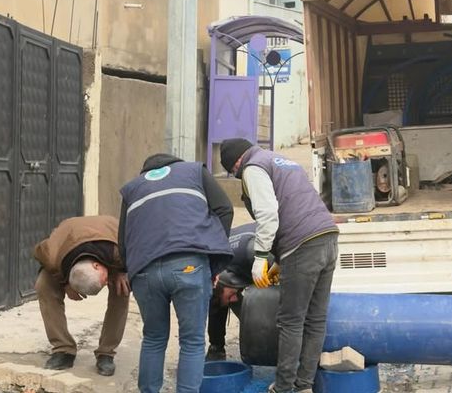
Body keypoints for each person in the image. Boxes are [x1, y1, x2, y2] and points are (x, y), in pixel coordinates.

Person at [220, 138, 339, 393]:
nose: (236, 175)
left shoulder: (253, 167)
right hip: (328, 237)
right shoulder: (281, 161)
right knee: (316, 319)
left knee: (291, 321)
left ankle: (284, 387)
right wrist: (282, 264)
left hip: (302, 244)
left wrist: (261, 257)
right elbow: (296, 203)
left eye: (233, 172)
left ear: (236, 163)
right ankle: (304, 385)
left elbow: (268, 213)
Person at [119, 153, 234, 393]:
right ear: (175, 163)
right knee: (192, 341)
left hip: (144, 271)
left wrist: (129, 271)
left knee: (153, 338)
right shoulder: (194, 171)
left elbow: (123, 240)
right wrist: (213, 258)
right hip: (189, 265)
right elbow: (225, 209)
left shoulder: (132, 188)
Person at [33, 215, 130, 376]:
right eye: (106, 280)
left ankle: (106, 353)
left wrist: (122, 270)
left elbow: (138, 251)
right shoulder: (51, 254)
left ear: (97, 266)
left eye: (104, 281)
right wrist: (64, 282)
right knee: (43, 285)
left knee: (122, 289)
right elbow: (38, 253)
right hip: (69, 241)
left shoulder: (121, 250)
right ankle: (63, 349)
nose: (107, 283)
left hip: (110, 239)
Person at [205, 222, 279, 361]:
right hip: (239, 266)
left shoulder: (249, 253)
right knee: (219, 303)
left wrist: (277, 267)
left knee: (274, 303)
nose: (234, 300)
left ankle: (279, 346)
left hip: (267, 250)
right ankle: (216, 347)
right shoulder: (218, 271)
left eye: (230, 296)